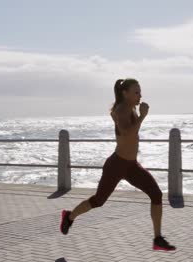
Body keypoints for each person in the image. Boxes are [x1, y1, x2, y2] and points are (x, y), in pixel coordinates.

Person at [60, 78, 176, 251]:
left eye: (140, 92)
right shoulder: (121, 111)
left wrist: (139, 115)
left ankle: (157, 239)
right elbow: (127, 133)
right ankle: (69, 216)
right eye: (136, 92)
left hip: (131, 165)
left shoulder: (131, 109)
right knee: (98, 201)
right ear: (125, 93)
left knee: (156, 194)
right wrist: (143, 116)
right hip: (116, 165)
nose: (140, 95)